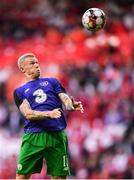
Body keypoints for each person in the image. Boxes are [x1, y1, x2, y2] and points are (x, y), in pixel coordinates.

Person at [13, 53, 84, 179]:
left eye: (37, 62)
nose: (36, 65)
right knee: (22, 175)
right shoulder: (19, 91)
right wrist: (49, 114)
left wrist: (70, 106)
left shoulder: (52, 81)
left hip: (56, 135)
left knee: (59, 177)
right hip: (34, 136)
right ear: (22, 68)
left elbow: (65, 99)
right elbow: (28, 114)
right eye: (32, 63)